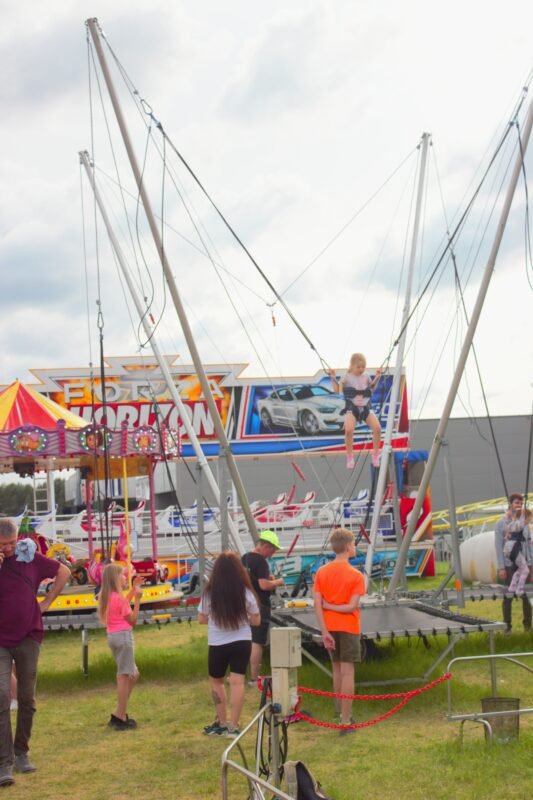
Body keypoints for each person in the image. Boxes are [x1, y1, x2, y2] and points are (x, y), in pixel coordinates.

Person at [0, 519, 70, 786]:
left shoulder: (29, 555)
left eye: (11, 543)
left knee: (27, 698)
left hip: (29, 636)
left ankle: (21, 752)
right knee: (1, 695)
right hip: (0, 641)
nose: (8, 548)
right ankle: (3, 762)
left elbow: (63, 571)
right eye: (2, 545)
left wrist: (47, 602)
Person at [198, 552, 260, 737]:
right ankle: (234, 726)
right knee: (237, 682)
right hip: (242, 641)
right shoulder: (246, 592)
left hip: (217, 643)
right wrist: (244, 617)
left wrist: (216, 619)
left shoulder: (209, 593)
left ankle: (221, 722)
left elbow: (201, 619)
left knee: (216, 682)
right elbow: (256, 620)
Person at [313, 527, 365, 734]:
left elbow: (317, 605)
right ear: (348, 546)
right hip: (349, 627)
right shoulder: (356, 575)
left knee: (336, 669)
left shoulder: (322, 572)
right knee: (347, 672)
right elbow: (351, 607)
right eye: (354, 544)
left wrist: (324, 630)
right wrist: (333, 606)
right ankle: (346, 719)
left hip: (330, 627)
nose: (355, 547)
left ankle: (338, 712)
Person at [97, 564, 144, 730]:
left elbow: (122, 604)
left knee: (133, 674)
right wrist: (137, 600)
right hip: (123, 637)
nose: (125, 577)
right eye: (123, 575)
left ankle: (119, 711)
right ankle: (120, 716)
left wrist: (133, 589)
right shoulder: (118, 597)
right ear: (115, 579)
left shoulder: (108, 596)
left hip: (113, 637)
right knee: (124, 676)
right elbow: (133, 620)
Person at [241, 530, 284, 684]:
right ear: (266, 546)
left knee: (244, 641)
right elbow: (263, 585)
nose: (272, 554)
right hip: (259, 606)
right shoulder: (261, 561)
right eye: (273, 550)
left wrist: (267, 578)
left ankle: (239, 675)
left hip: (243, 604)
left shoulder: (245, 558)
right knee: (257, 642)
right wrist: (278, 581)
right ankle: (254, 678)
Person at [329, 353, 382, 469]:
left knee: (377, 428)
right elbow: (338, 390)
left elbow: (372, 389)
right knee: (348, 430)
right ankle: (349, 456)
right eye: (358, 367)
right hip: (352, 407)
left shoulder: (366, 376)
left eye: (363, 367)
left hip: (365, 407)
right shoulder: (347, 376)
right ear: (352, 366)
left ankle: (375, 455)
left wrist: (377, 377)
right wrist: (333, 378)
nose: (361, 369)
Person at [495, 493, 532, 632]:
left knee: (526, 596)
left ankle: (528, 626)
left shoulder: (524, 522)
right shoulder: (501, 523)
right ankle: (507, 627)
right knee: (508, 597)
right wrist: (501, 567)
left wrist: (531, 563)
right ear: (510, 504)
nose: (519, 505)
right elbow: (498, 545)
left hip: (524, 561)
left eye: (521, 503)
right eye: (517, 503)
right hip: (509, 563)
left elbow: (528, 543)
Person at [503, 508, 532, 596]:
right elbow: (521, 524)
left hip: (509, 550)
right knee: (525, 570)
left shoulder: (512, 524)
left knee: (520, 569)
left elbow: (507, 531)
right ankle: (520, 589)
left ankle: (512, 587)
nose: (528, 522)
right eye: (528, 520)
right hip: (513, 549)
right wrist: (523, 515)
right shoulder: (518, 524)